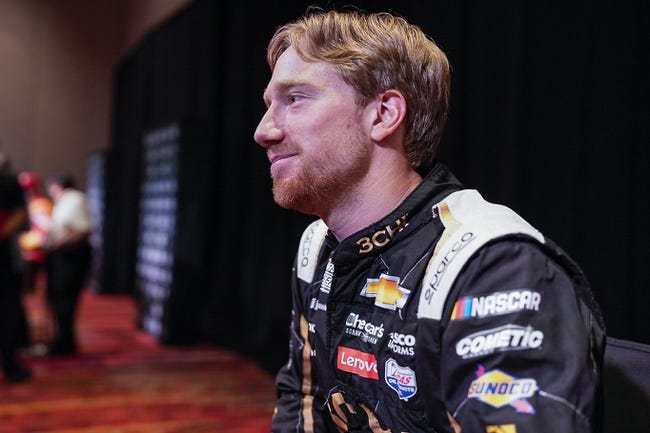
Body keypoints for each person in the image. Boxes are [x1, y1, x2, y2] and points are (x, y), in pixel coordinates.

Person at [253, 9, 605, 433]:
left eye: (295, 99)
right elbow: (303, 399)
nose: (264, 130)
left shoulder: (497, 265)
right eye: (269, 104)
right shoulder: (317, 247)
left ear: (383, 115)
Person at [44, 172, 93, 356]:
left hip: (70, 257)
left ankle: (65, 343)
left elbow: (83, 230)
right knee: (59, 300)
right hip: (63, 256)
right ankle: (63, 340)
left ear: (57, 186)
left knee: (65, 300)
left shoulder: (74, 199)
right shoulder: (66, 201)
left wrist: (58, 244)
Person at [0, 151, 32, 383]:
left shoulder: (9, 183)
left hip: (6, 262)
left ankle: (11, 363)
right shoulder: (10, 183)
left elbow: (20, 214)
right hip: (6, 264)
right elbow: (20, 214)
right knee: (8, 312)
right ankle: (10, 364)